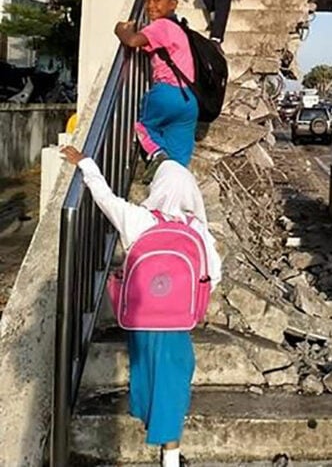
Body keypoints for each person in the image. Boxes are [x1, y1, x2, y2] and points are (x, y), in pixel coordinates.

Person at [61, 145, 222, 467]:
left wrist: (87, 164)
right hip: (177, 324)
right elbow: (213, 275)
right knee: (173, 384)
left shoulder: (138, 220)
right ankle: (170, 456)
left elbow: (105, 198)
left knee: (147, 376)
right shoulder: (197, 230)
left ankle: (160, 439)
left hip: (140, 319)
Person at [114, 0, 198, 181]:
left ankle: (157, 154)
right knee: (179, 160)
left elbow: (133, 41)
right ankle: (172, 191)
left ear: (173, 4)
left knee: (144, 126)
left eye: (157, 0)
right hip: (189, 100)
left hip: (166, 92)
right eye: (148, 0)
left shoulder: (160, 26)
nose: (151, 5)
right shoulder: (180, 29)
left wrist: (120, 30)